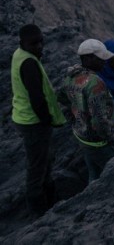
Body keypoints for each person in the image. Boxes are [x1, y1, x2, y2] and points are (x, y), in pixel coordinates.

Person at [10, 24, 67, 216]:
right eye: (34, 44)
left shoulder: (20, 55)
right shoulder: (29, 63)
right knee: (37, 168)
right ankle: (39, 212)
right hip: (33, 122)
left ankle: (48, 202)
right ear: (22, 43)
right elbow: (37, 98)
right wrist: (46, 120)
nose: (39, 46)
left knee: (42, 162)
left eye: (41, 42)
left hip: (24, 117)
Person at [59, 39, 114, 182]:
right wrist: (111, 139)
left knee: (93, 176)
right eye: (100, 59)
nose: (104, 62)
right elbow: (99, 120)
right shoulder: (95, 83)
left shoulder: (70, 78)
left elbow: (63, 99)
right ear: (87, 58)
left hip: (83, 138)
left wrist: (78, 120)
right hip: (101, 142)